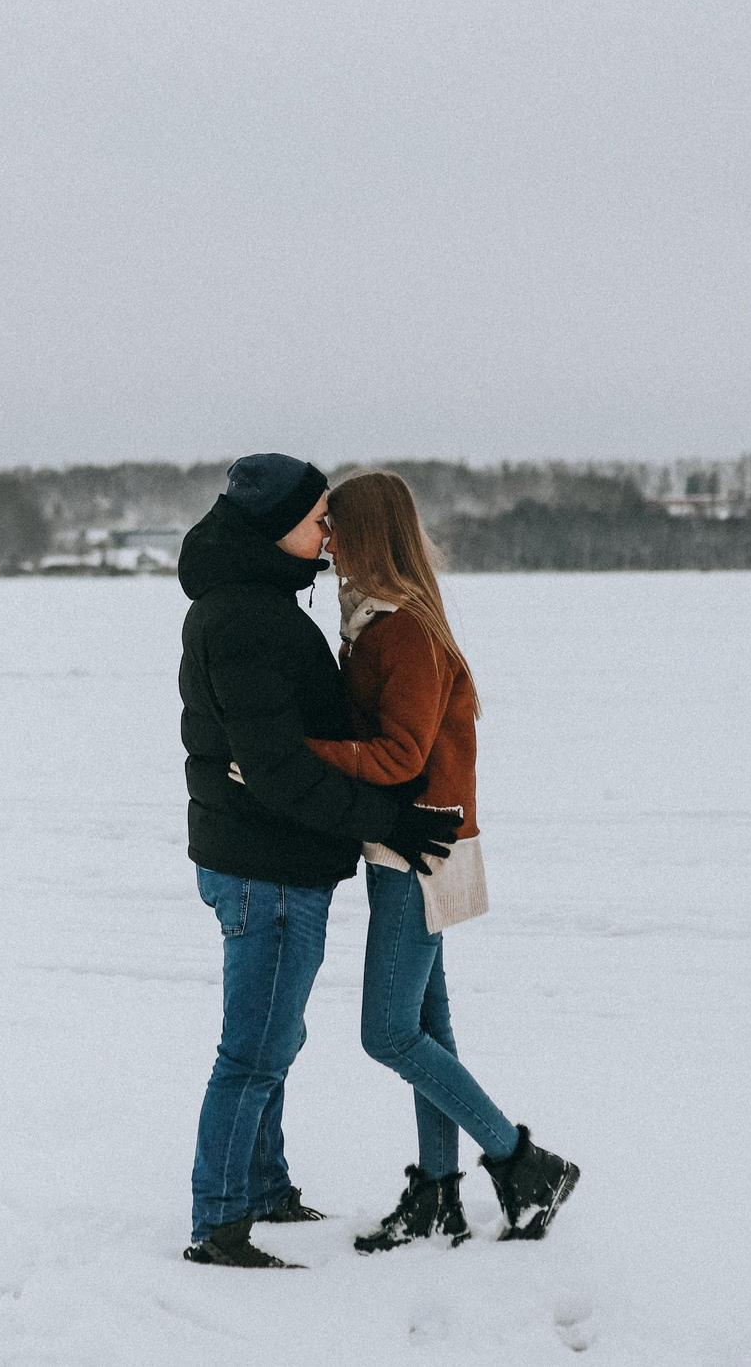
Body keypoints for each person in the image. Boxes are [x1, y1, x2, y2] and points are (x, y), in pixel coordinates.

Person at [177, 453, 463, 1270]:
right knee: (254, 1047)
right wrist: (386, 820)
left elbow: (266, 757)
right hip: (262, 866)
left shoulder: (255, 606)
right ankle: (221, 1221)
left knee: (276, 1034)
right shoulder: (249, 620)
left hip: (270, 857)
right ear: (279, 529)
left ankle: (262, 1184)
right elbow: (277, 766)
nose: (328, 534)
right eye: (317, 520)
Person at [308, 470, 579, 1249]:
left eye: (335, 527)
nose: (326, 540)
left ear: (368, 536)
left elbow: (399, 754)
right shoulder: (376, 621)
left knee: (388, 1032)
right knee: (429, 1029)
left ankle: (525, 1162)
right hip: (411, 845)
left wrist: (293, 753)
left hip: (421, 853)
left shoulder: (404, 631)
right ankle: (435, 1194)